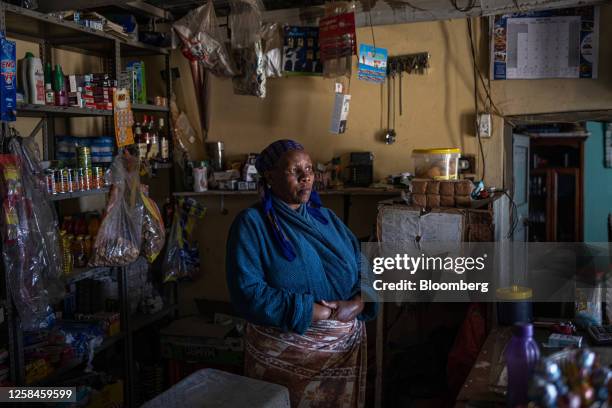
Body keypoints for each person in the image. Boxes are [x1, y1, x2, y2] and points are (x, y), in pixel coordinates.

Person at [226, 139, 377, 407]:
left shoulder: (326, 218)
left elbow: (363, 261)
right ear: (270, 177)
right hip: (286, 358)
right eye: (294, 170)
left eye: (308, 168)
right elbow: (247, 292)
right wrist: (308, 310)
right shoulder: (252, 224)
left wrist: (360, 301)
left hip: (341, 352)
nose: (305, 176)